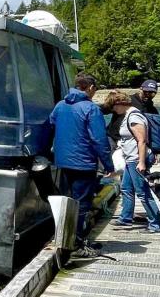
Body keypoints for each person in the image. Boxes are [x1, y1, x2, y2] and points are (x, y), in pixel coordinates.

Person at [47, 73, 114, 246]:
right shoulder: (91, 109)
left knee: (66, 201)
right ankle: (76, 243)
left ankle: (64, 238)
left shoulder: (60, 105)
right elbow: (99, 140)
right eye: (95, 88)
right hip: (83, 162)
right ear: (90, 87)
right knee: (82, 204)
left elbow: (51, 124)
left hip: (62, 161)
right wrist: (108, 165)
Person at [109, 93, 160, 234]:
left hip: (136, 159)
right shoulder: (128, 115)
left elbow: (142, 140)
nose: (113, 109)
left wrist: (141, 162)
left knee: (142, 192)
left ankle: (156, 224)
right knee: (126, 188)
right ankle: (125, 218)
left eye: (114, 106)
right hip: (130, 159)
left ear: (121, 103)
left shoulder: (134, 117)